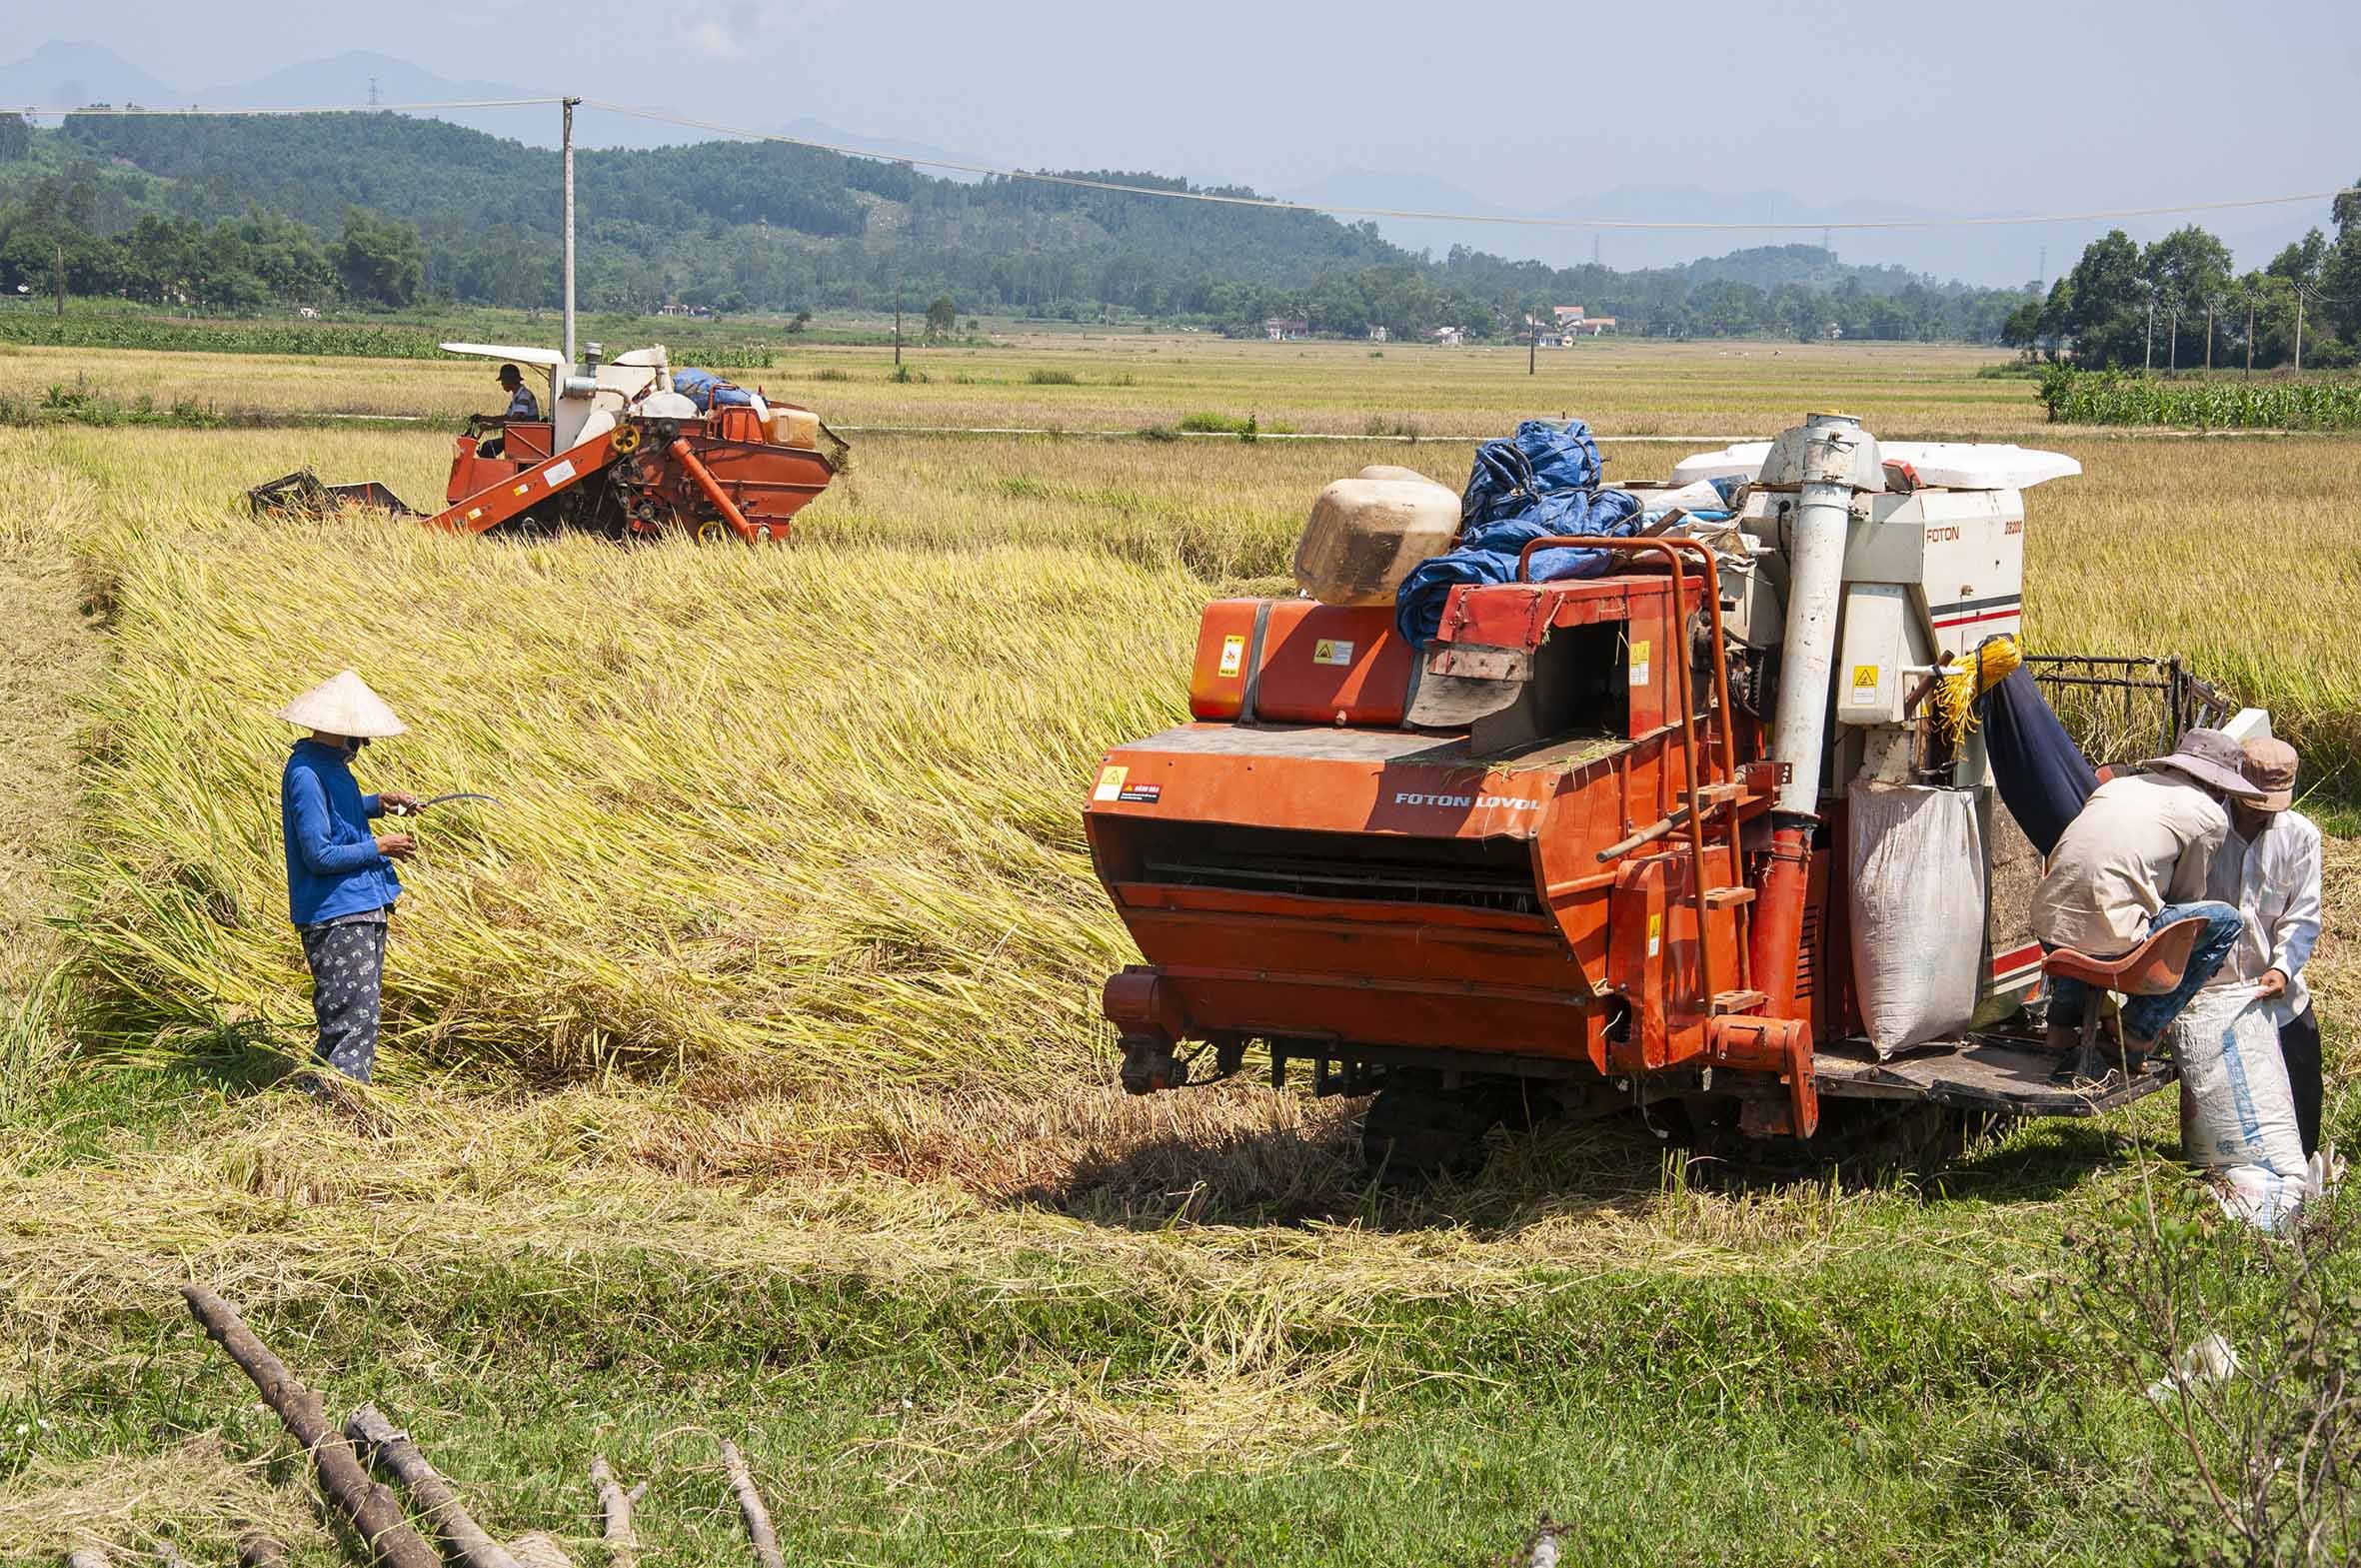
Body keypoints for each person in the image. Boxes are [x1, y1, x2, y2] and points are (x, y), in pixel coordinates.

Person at [2031, 728, 2264, 1086]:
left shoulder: (2117, 786)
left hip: (2046, 922)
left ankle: (2060, 1027)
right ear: (2219, 788)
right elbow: (2186, 903)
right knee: (2226, 921)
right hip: (2112, 936)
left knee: (2084, 918)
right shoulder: (2209, 816)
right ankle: (2138, 1032)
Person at [277, 671, 417, 1086]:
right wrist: (380, 846)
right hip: (336, 911)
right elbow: (318, 854)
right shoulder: (305, 772)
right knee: (351, 1017)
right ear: (346, 731)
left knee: (358, 1011)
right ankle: (343, 1105)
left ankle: (317, 1094)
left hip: (362, 904)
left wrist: (378, 803)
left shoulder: (329, 767)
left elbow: (337, 811)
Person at [2204, 737, 2324, 1153]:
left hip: (2276, 990)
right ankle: (2218, 1167)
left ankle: (2301, 1168)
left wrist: (2282, 968)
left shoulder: (2301, 837)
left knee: (2301, 1083)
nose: (2260, 810)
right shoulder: (2206, 829)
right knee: (2216, 1094)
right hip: (2214, 992)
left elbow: (2303, 915)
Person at [477, 364, 542, 458]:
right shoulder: (517, 396)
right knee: (488, 447)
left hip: (525, 439)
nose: (502, 384)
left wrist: (490, 427)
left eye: (503, 381)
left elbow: (514, 420)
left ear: (510, 380)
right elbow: (507, 417)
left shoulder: (524, 396)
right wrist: (483, 418)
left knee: (488, 446)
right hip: (518, 436)